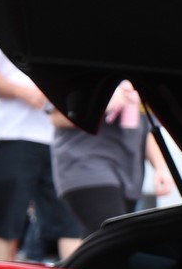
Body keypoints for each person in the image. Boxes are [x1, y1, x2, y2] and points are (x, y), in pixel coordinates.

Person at [0, 46, 82, 262]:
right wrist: (22, 92)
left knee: (71, 225)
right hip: (11, 135)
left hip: (56, 139)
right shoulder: (1, 27)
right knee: (3, 223)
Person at [49, 80, 173, 234]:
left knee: (105, 245)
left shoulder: (139, 76)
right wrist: (102, 106)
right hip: (86, 167)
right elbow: (55, 117)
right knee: (118, 237)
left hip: (128, 175)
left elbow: (148, 129)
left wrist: (161, 168)